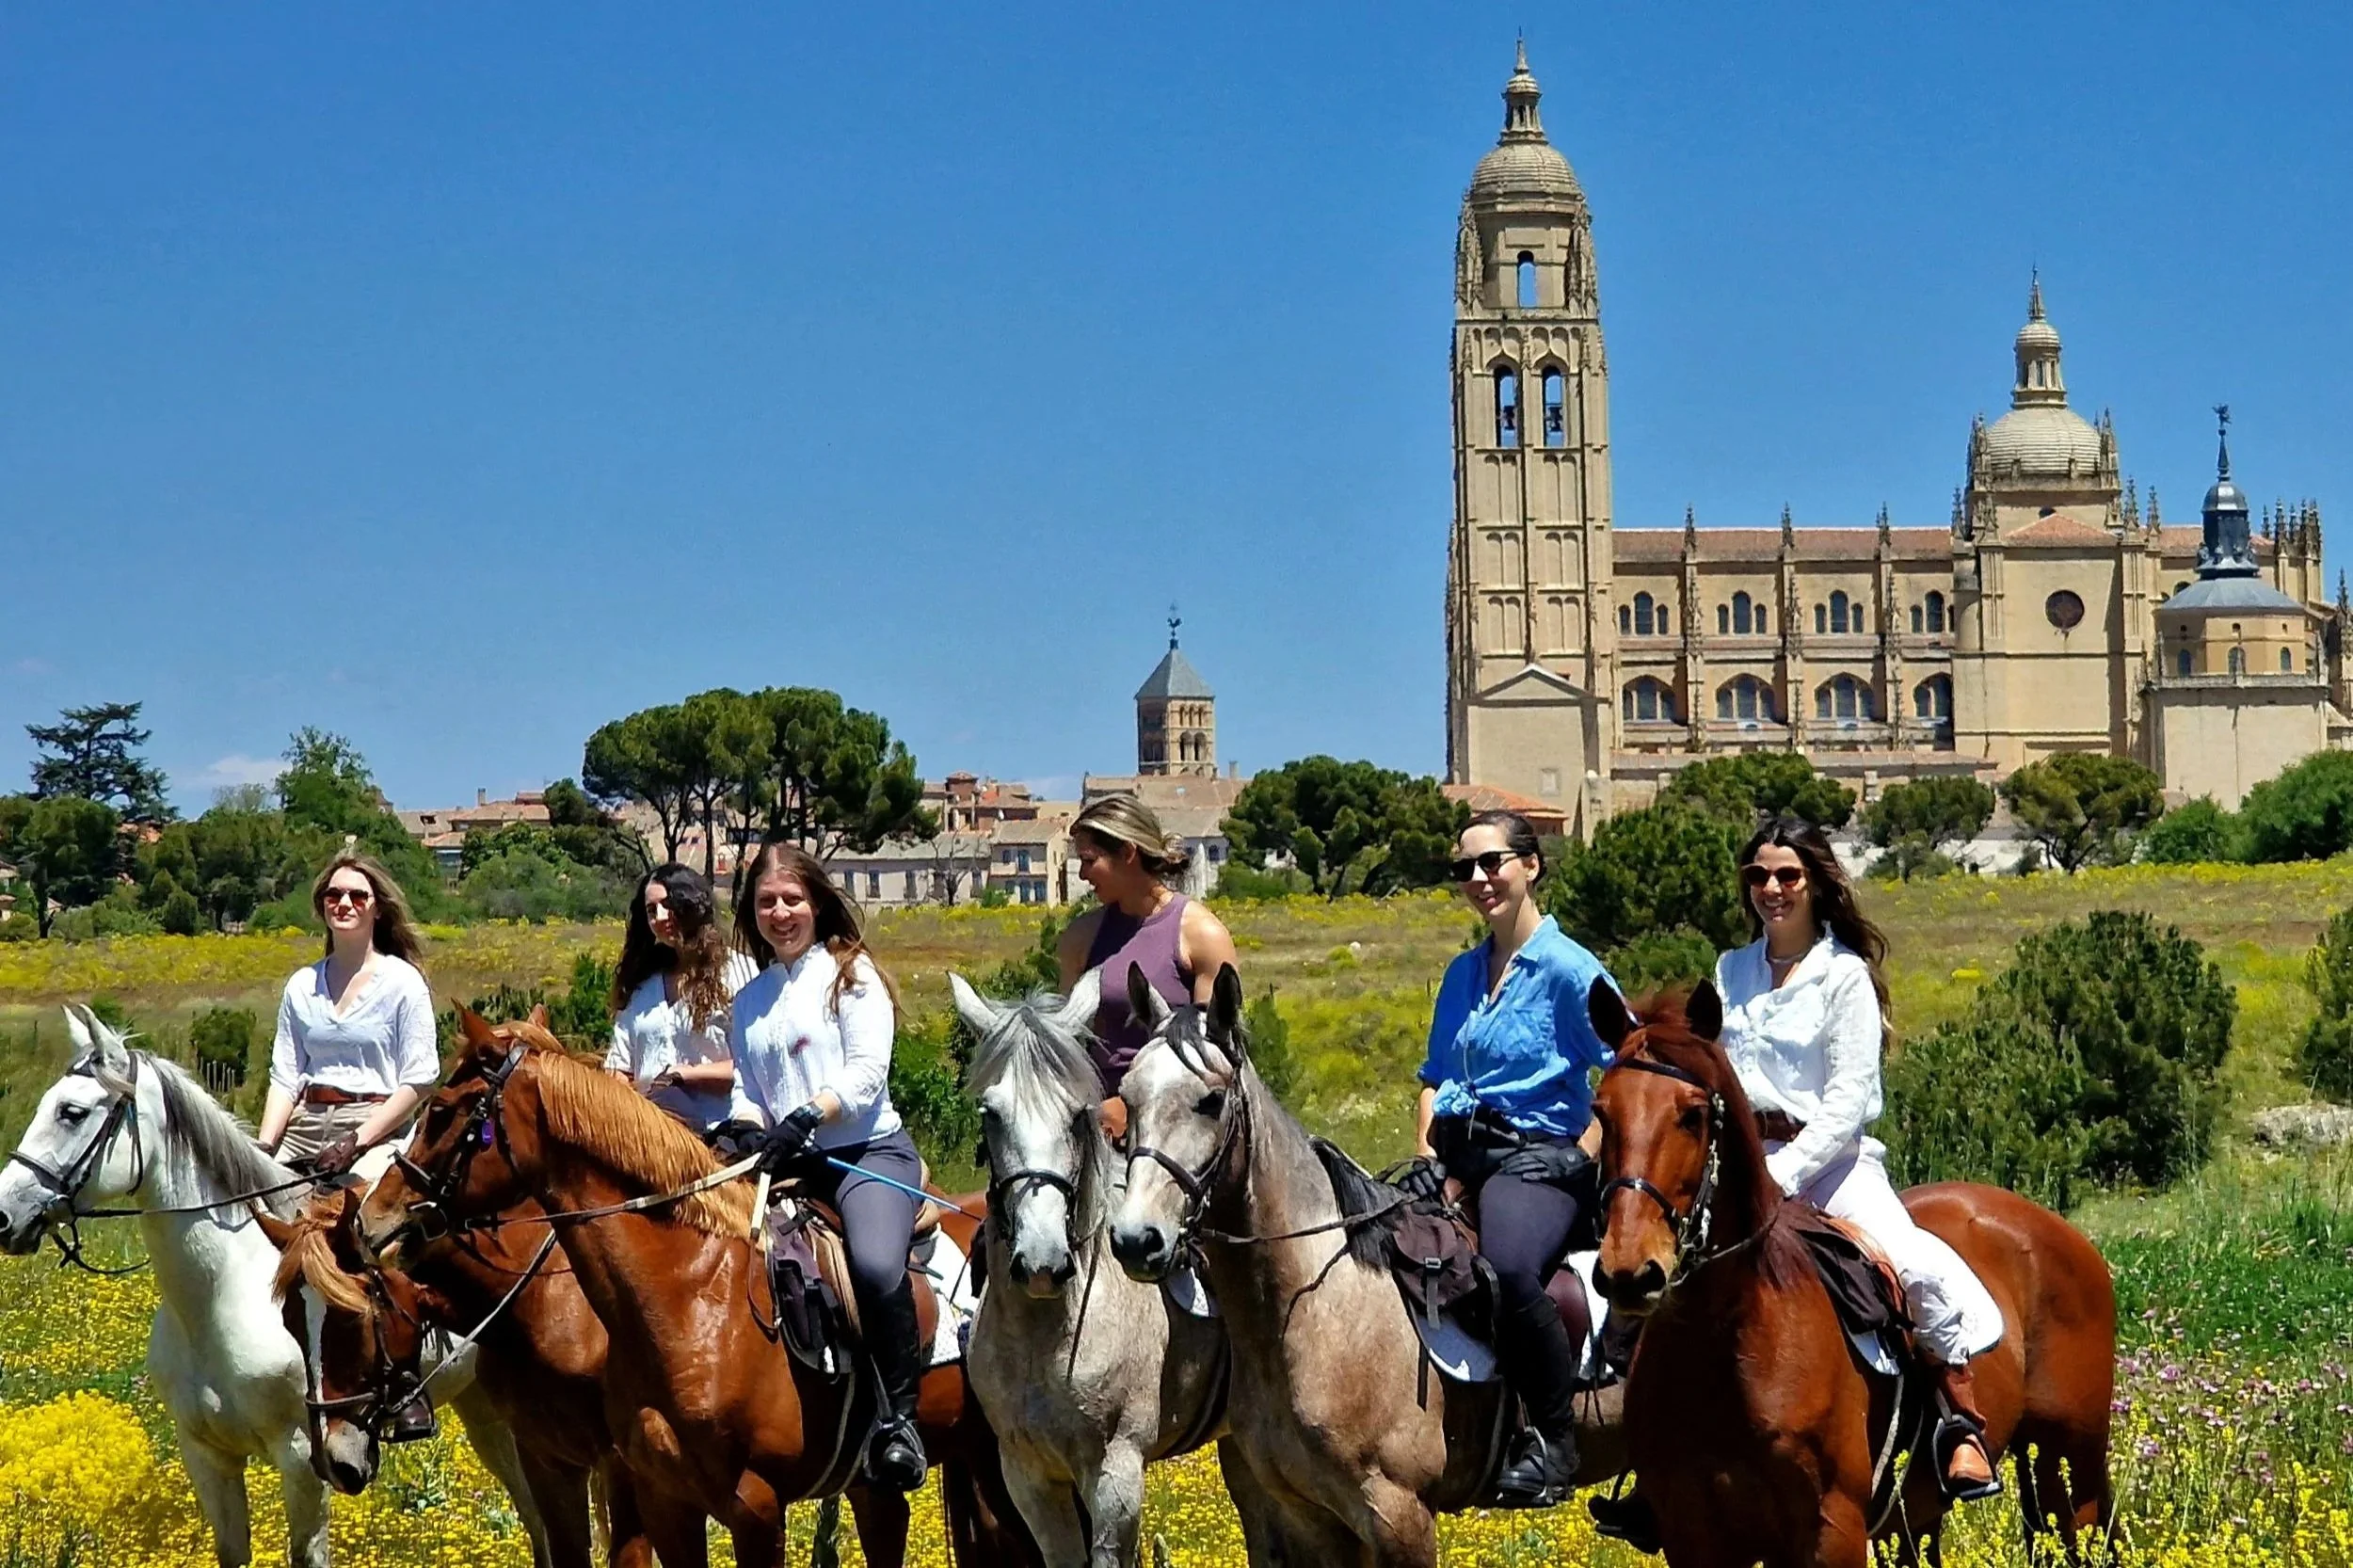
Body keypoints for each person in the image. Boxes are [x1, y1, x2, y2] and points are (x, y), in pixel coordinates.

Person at [1718, 814, 2004, 1499]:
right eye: (1758, 876)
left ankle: (1959, 1421)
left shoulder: (1844, 978)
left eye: (1787, 875)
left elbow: (1847, 1102)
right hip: (1740, 1165)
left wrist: (1781, 1176)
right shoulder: (1731, 970)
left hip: (1833, 1165)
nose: (1771, 889)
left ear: (1815, 883)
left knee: (1906, 1264)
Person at [1410, 810, 1614, 1508]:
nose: (1477, 879)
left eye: (1491, 862)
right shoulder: (1464, 971)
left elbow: (1631, 1072)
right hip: (1461, 1152)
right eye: (1464, 867)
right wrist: (1423, 1158)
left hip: (1540, 1156)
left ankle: (1554, 1443)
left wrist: (1581, 1157)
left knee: (1508, 1268)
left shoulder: (1570, 969)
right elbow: (1435, 1077)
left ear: (1530, 866)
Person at [728, 840, 930, 1493]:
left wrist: (808, 1116)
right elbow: (745, 1087)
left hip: (866, 1154)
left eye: (791, 900)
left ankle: (900, 1421)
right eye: (766, 902)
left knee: (872, 1267)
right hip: (788, 1163)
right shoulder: (749, 999)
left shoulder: (852, 973)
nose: (780, 913)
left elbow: (867, 1076)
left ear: (816, 903)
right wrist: (743, 1127)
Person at [1055, 794, 1241, 1135]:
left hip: (1179, 1129)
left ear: (1128, 853)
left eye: (1089, 860)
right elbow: (1064, 1045)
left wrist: (1130, 1105)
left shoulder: (1201, 935)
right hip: (1097, 1122)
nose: (1082, 874)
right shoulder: (1080, 938)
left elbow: (1211, 1057)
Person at [256, 854, 441, 1184]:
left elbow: (420, 1079)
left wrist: (355, 1143)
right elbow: (285, 1077)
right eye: (334, 895)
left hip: (376, 1130)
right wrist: (265, 1148)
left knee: (349, 1207)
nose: (344, 903)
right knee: (251, 1201)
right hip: (306, 1125)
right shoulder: (301, 985)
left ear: (377, 908)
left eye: (357, 896)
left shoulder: (403, 982)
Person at [605, 864, 757, 1135]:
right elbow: (619, 1067)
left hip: (723, 1133)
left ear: (693, 904)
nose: (660, 917)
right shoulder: (640, 989)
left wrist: (685, 1075)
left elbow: (759, 1065)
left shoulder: (738, 974)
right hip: (649, 1137)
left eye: (669, 904)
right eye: (651, 911)